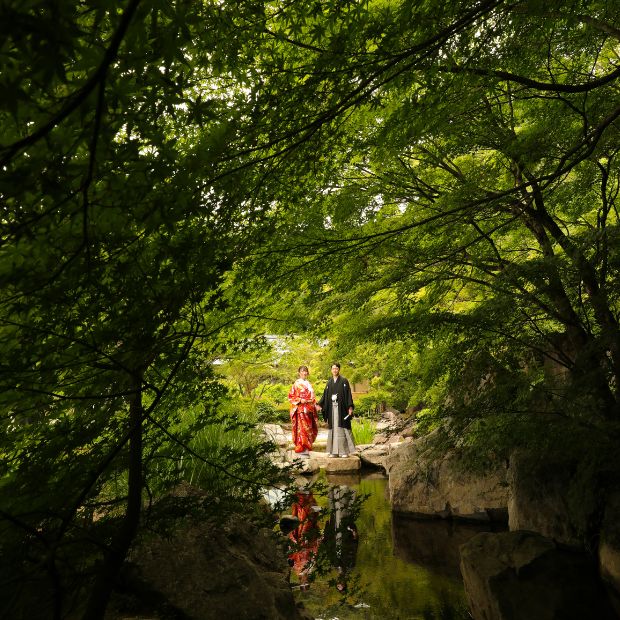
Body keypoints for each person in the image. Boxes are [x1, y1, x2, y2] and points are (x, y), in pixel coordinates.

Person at [317, 363, 356, 457]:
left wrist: (350, 407)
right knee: (333, 429)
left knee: (342, 429)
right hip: (332, 409)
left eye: (336, 368)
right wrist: (319, 404)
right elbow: (325, 395)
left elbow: (348, 394)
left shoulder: (344, 381)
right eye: (333, 368)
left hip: (342, 409)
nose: (334, 370)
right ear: (331, 370)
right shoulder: (329, 382)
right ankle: (334, 452)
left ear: (339, 370)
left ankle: (344, 452)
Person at [288, 365, 318, 457]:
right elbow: (291, 396)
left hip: (309, 409)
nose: (304, 373)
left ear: (307, 373)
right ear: (299, 373)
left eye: (306, 371)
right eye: (302, 371)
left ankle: (307, 447)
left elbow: (313, 398)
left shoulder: (309, 384)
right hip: (300, 409)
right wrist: (300, 400)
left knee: (308, 428)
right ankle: (301, 447)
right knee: (301, 429)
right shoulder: (296, 384)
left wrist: (312, 403)